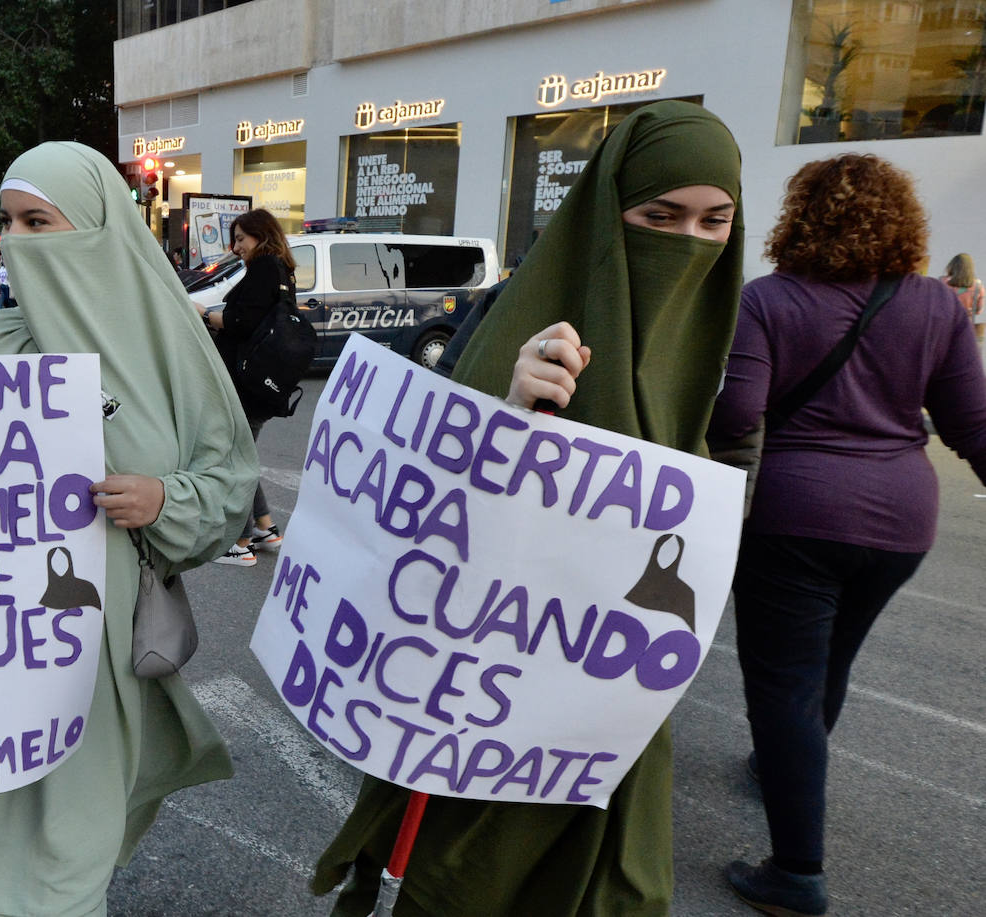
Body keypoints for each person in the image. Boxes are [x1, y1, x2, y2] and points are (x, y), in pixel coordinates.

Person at [313, 100, 745, 917]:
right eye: (660, 216)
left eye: (714, 221)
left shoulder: (715, 335)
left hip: (610, 722)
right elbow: (417, 523)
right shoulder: (524, 325)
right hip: (485, 716)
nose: (688, 242)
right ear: (611, 211)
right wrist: (506, 414)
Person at [0, 140, 258, 917]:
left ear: (94, 227)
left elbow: (228, 488)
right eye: (9, 223)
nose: (15, 242)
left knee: (68, 858)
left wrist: (165, 498)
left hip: (97, 669)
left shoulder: (170, 351)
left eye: (38, 222)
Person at [704, 154, 986, 917]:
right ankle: (781, 766)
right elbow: (971, 425)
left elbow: (735, 417)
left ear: (800, 219)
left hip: (792, 516)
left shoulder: (768, 301)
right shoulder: (937, 304)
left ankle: (796, 872)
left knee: (784, 682)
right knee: (830, 661)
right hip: (903, 522)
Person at [194, 208, 292, 567]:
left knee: (235, 460)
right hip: (263, 383)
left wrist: (201, 313)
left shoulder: (265, 267)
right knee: (243, 457)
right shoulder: (283, 270)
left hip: (246, 384)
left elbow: (240, 321)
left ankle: (241, 541)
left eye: (240, 239)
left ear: (261, 235)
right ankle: (266, 528)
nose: (236, 248)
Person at [940, 252, 985, 344]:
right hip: (966, 328)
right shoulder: (978, 286)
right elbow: (979, 310)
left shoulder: (942, 282)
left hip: (945, 328)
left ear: (952, 265)